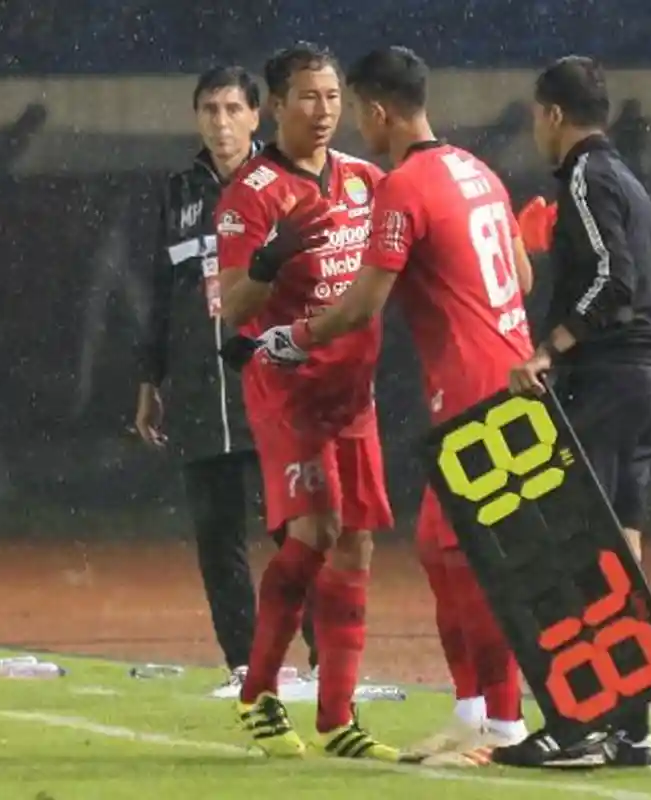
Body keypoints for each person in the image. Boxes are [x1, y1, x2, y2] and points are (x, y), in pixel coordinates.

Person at [248, 46, 550, 763]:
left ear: (378, 110)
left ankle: (497, 724)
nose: (351, 123)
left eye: (353, 108)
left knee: (463, 555)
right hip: (514, 376)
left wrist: (295, 337)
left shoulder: (403, 185)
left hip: (476, 393)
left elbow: (362, 307)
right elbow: (525, 276)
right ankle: (479, 714)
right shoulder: (477, 169)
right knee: (451, 553)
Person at [213, 41, 403, 761]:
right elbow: (233, 308)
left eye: (331, 97)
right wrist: (268, 260)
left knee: (357, 542)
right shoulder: (251, 193)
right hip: (288, 386)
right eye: (307, 97)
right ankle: (259, 693)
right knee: (315, 534)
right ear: (275, 106)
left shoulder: (363, 179)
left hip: (354, 390)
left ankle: (337, 718)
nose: (323, 112)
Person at [131, 65, 318, 694]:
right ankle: (247, 666)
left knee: (296, 528)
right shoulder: (177, 192)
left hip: (270, 382)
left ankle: (325, 661)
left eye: (232, 109)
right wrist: (149, 379)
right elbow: (160, 292)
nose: (220, 122)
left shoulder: (285, 184)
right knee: (217, 538)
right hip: (197, 386)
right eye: (208, 109)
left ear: (256, 116)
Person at [507, 55, 651, 769]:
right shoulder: (624, 177)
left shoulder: (584, 176)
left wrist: (551, 347)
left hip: (607, 375)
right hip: (644, 376)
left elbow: (614, 279)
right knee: (621, 555)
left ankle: (580, 722)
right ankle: (631, 730)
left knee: (573, 547)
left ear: (551, 115)